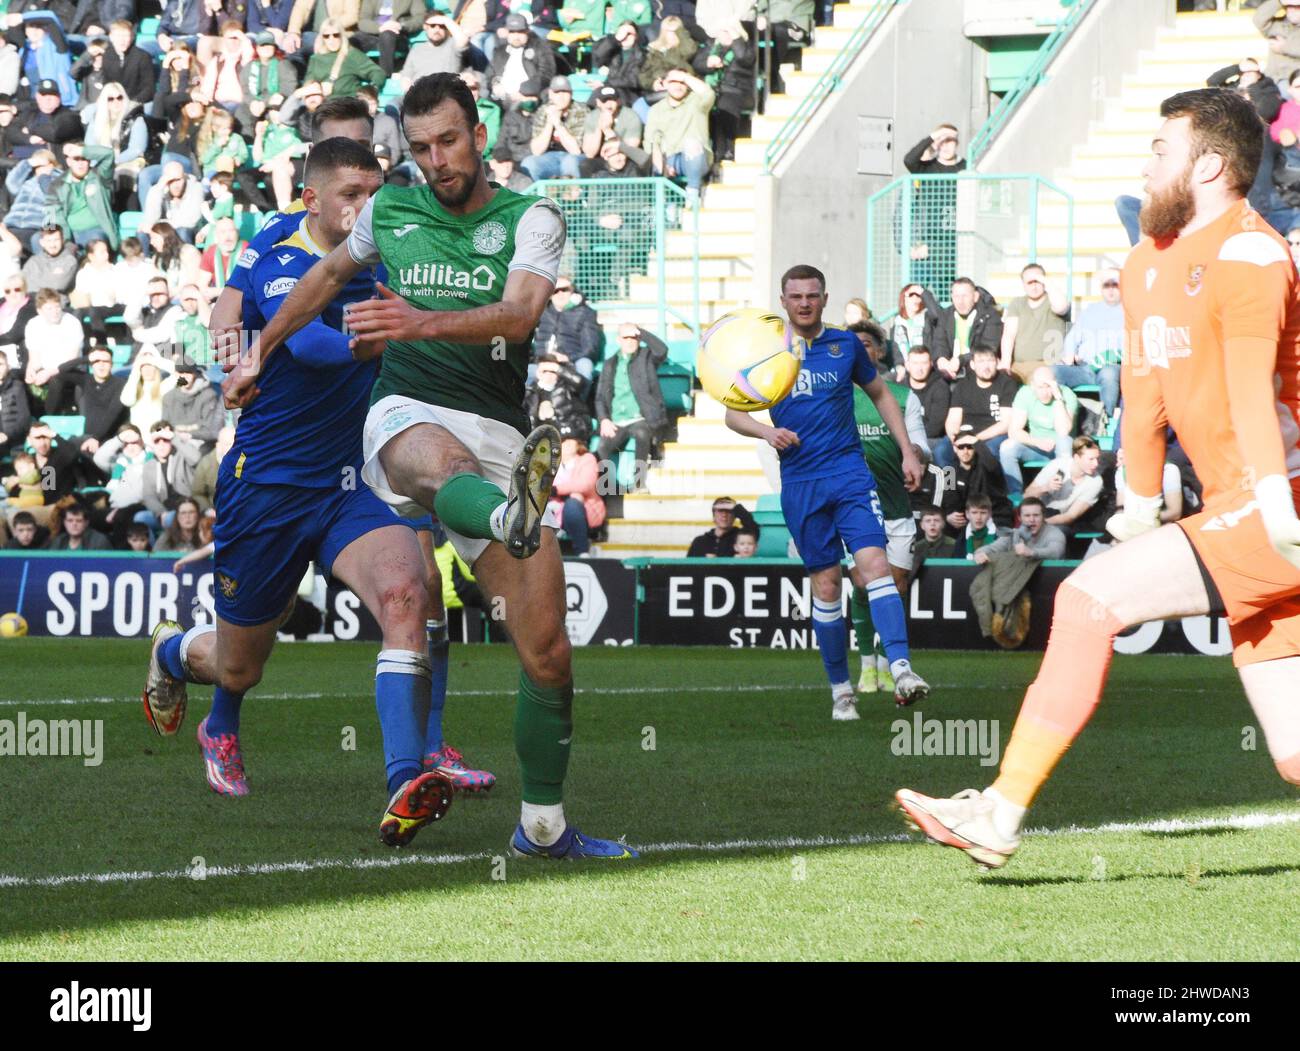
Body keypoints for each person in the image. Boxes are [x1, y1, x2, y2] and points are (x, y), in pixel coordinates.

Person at [221, 74, 634, 860]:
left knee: (547, 651)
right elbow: (323, 278)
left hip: (502, 438)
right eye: (418, 148)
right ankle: (503, 516)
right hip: (403, 416)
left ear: (479, 134)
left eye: (448, 141)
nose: (436, 160)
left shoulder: (530, 217)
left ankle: (543, 827)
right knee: (436, 465)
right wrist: (259, 352)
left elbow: (517, 315)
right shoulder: (391, 211)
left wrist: (417, 319)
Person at [897, 87, 1300, 871]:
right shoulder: (1148, 262)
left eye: (1162, 150)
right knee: (1294, 755)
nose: (1146, 163)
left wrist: (1277, 507)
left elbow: (1253, 387)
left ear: (1211, 164)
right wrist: (1139, 504)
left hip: (1280, 498)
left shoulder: (1251, 250)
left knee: (1086, 601)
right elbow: (1145, 396)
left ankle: (999, 811)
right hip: (1247, 506)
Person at [147, 137, 496, 834]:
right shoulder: (286, 259)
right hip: (267, 492)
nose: (369, 207)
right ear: (312, 199)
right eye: (353, 195)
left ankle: (407, 779)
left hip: (343, 485)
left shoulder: (384, 254)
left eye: (377, 192)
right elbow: (308, 346)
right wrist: (395, 337)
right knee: (240, 666)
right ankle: (174, 658)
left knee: (409, 592)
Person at [724, 264, 929, 718]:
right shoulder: (767, 351)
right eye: (795, 296)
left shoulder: (844, 345)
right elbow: (732, 414)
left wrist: (908, 452)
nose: (804, 303)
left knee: (875, 565)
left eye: (812, 295)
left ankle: (901, 668)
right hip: (800, 483)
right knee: (828, 582)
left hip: (850, 475)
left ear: (824, 297)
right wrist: (765, 432)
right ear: (783, 301)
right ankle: (841, 690)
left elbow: (880, 394)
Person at [847, 318, 930, 697]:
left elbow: (920, 444)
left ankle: (886, 663)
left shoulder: (900, 396)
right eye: (855, 343)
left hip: (895, 505)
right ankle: (866, 664)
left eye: (868, 343)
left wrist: (915, 456)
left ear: (879, 352)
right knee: (863, 582)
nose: (862, 349)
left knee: (894, 585)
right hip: (851, 506)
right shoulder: (834, 395)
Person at [594, 321, 670, 490]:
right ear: (618, 339)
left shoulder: (646, 357)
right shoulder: (610, 364)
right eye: (625, 337)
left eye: (634, 337)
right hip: (617, 420)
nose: (630, 341)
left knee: (642, 434)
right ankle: (606, 490)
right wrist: (604, 419)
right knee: (602, 448)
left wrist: (641, 331)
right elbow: (600, 397)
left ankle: (639, 483)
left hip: (641, 418)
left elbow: (662, 350)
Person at [1053, 267, 1125, 419]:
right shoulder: (1090, 310)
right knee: (1053, 372)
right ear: (1101, 288)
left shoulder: (1130, 310)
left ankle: (1106, 420)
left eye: (1115, 285)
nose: (1111, 290)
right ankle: (1062, 419)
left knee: (1109, 374)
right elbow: (1073, 338)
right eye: (1107, 286)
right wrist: (1070, 354)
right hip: (1085, 367)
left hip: (1112, 367)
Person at [999, 366, 1078, 501]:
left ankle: (1062, 497)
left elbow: (1063, 431)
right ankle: (1016, 498)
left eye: (1048, 387)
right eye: (1041, 387)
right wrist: (1037, 442)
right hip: (1037, 446)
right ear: (1033, 386)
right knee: (1007, 447)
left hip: (1061, 448)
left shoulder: (1067, 394)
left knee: (1065, 441)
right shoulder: (1025, 393)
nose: (1045, 392)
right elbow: (1014, 431)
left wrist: (1058, 398)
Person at [940, 344, 1020, 467]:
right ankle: (950, 486)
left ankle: (988, 486)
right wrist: (954, 438)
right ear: (972, 365)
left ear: (997, 362)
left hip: (995, 436)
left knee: (988, 451)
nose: (986, 366)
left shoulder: (1007, 384)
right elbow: (952, 419)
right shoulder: (963, 385)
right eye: (981, 361)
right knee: (941, 452)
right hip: (964, 435)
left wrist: (976, 439)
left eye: (990, 361)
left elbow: (1006, 424)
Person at [644, 66, 714, 201]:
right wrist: (663, 166)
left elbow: (708, 93)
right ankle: (666, 207)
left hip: (698, 160)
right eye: (673, 81)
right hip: (670, 160)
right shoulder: (655, 110)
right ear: (664, 84)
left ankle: (692, 195)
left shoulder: (697, 101)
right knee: (655, 157)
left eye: (682, 82)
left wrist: (684, 77)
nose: (678, 85)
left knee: (691, 144)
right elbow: (651, 144)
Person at [1000, 263, 1071, 384]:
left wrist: (1044, 280)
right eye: (1029, 282)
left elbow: (1061, 307)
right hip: (1018, 366)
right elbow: (1009, 335)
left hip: (1047, 365)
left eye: (1037, 281)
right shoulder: (1017, 303)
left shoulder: (1054, 300)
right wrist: (1005, 364)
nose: (1034, 286)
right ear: (1023, 285)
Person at [1023, 435, 1104, 535]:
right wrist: (1046, 487)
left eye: (1097, 459)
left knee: (1055, 532)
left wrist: (1042, 524)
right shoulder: (1057, 465)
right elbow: (1026, 495)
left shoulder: (1096, 481)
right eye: (1091, 459)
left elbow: (1070, 516)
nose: (1096, 464)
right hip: (1039, 513)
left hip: (1060, 520)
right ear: (1076, 457)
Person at [931, 277, 1003, 380]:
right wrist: (941, 359)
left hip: (978, 371)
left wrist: (961, 360)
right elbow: (939, 342)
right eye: (956, 296)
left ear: (975, 297)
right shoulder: (945, 315)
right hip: (950, 371)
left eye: (965, 296)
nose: (960, 301)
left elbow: (989, 347)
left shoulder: (990, 316)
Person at [531, 275, 601, 381]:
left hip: (571, 361)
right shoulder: (541, 312)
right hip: (542, 361)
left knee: (585, 366)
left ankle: (578, 398)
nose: (560, 294)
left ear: (572, 291)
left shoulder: (585, 313)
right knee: (522, 372)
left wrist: (567, 358)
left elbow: (591, 347)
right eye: (555, 291)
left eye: (564, 290)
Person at [522, 74, 587, 182]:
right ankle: (538, 198)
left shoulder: (581, 110)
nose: (561, 96)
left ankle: (572, 198)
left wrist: (558, 123)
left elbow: (575, 150)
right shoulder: (543, 110)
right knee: (529, 163)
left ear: (571, 94)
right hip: (549, 156)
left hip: (575, 157)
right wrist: (550, 122)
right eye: (557, 92)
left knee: (569, 162)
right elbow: (536, 151)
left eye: (565, 92)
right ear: (551, 94)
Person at [551, 436, 603, 556]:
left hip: (584, 508)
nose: (567, 443)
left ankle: (582, 552)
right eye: (563, 441)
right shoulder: (550, 463)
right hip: (554, 508)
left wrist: (556, 490)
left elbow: (585, 484)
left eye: (571, 440)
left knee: (573, 502)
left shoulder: (587, 459)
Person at [524, 354, 589, 439]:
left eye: (552, 371)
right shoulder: (530, 393)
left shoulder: (566, 387)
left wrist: (557, 368)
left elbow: (580, 383)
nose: (548, 375)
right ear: (538, 373)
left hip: (569, 435)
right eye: (544, 371)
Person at [686, 496, 758, 557]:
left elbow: (753, 527)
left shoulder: (742, 539)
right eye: (720, 511)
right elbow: (687, 569)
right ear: (713, 515)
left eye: (729, 511)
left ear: (735, 516)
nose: (724, 515)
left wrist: (736, 507)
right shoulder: (699, 542)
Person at [1254, 1, 1300, 86]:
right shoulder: (1277, 25)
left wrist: (1285, 47)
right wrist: (1279, 2)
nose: (1291, 10)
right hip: (1272, 79)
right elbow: (1258, 19)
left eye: (1296, 7)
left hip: (1295, 80)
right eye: (1288, 6)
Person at [45, 499, 113, 550]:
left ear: (86, 523)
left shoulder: (100, 542)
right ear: (64, 523)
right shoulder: (58, 541)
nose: (74, 524)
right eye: (70, 520)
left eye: (79, 521)